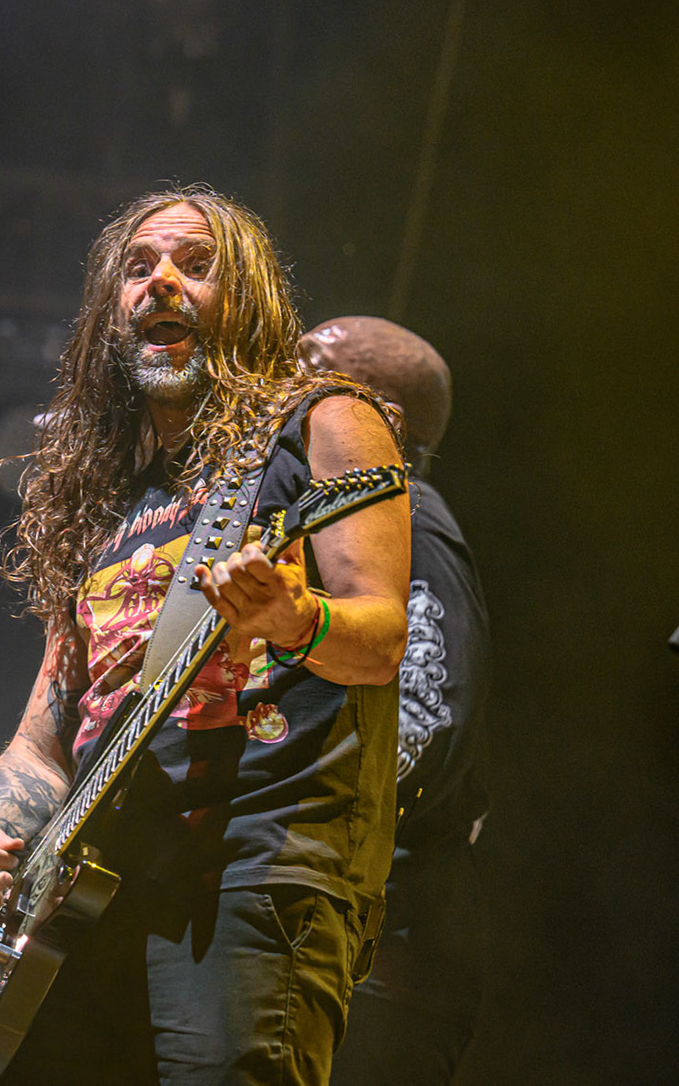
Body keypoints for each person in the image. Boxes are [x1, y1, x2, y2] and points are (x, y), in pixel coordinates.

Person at [0, 186, 411, 1085]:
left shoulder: (325, 424)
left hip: (252, 870)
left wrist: (290, 617)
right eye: (138, 267)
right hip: (98, 886)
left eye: (195, 265)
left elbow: (381, 637)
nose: (161, 282)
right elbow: (42, 742)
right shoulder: (105, 501)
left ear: (249, 300)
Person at [302, 318, 489, 1086]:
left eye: (308, 369)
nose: (281, 389)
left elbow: (423, 724)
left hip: (377, 969)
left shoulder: (410, 517)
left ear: (383, 417)